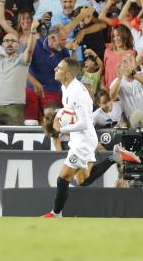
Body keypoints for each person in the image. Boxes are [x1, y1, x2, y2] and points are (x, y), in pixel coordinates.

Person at [41, 58, 98, 218]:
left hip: (84, 138)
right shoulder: (65, 87)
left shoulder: (76, 92)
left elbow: (85, 123)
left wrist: (61, 130)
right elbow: (70, 113)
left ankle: (55, 213)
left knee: (63, 177)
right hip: (78, 138)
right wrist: (58, 115)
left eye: (58, 68)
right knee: (83, 180)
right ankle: (115, 158)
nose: (55, 70)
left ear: (67, 74)